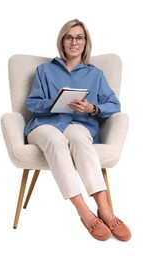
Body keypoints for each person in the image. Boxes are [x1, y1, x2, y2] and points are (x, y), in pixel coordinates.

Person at [24, 19, 131, 242]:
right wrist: (54, 103)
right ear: (62, 41)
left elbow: (114, 105)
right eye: (69, 37)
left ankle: (105, 209)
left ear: (85, 42)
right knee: (54, 139)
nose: (74, 41)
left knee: (80, 139)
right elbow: (32, 103)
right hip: (44, 125)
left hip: (79, 125)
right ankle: (83, 211)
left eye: (79, 37)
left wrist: (92, 107)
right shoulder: (44, 70)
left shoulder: (95, 74)